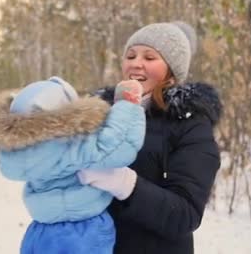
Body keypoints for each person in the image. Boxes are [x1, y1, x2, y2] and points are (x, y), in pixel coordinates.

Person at [78, 22, 222, 254]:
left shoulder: (190, 123)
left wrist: (124, 183)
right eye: (131, 55)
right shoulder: (99, 113)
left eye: (150, 57)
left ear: (172, 71)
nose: (136, 63)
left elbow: (184, 214)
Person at [0, 76, 145, 254]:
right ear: (66, 112)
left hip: (41, 232)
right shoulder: (71, 144)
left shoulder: (18, 152)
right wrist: (127, 104)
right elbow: (119, 145)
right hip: (83, 232)